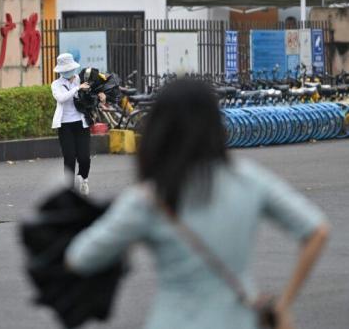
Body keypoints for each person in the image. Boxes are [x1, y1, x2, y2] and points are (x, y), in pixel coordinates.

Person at [66, 79, 329, 329]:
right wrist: (284, 304)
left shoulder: (148, 197)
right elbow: (317, 230)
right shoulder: (249, 179)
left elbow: (80, 258)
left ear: (160, 129)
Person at [51, 52, 92, 196]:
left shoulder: (81, 79)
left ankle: (84, 179)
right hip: (65, 125)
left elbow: (94, 91)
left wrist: (100, 95)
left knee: (84, 157)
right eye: (64, 70)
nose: (68, 72)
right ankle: (69, 189)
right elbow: (61, 98)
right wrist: (77, 88)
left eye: (69, 69)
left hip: (81, 124)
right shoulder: (56, 84)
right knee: (69, 157)